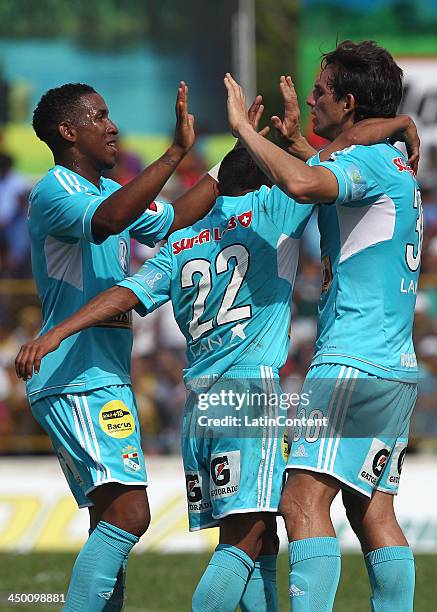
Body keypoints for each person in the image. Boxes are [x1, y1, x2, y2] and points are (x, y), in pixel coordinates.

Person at [17, 112, 417, 611]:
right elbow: (319, 171)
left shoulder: (178, 241)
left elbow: (125, 294)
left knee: (260, 538)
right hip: (250, 395)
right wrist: (390, 125)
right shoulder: (276, 208)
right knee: (244, 542)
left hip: (200, 404)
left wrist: (58, 330)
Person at [225, 40, 421, 612]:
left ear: (350, 101)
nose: (310, 100)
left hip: (352, 363)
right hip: (393, 365)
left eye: (320, 92)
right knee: (372, 511)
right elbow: (318, 165)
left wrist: (246, 130)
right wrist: (294, 140)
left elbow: (305, 184)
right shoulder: (393, 158)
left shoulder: (366, 160)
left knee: (300, 500)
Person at [25, 80, 223, 611]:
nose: (113, 127)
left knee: (108, 519)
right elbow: (110, 222)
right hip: (74, 376)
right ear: (69, 132)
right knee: (131, 515)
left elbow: (176, 219)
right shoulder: (57, 190)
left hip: (102, 375)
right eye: (101, 117)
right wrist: (174, 153)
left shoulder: (104, 196)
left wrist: (236, 160)